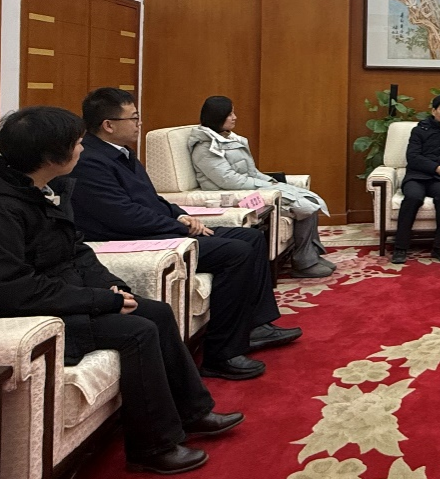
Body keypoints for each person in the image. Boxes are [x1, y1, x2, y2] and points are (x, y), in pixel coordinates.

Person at [0, 107, 243, 474]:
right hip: (2, 315)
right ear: (51, 157)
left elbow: (76, 250)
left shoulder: (41, 190)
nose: (83, 149)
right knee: (137, 331)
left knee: (156, 312)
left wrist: (110, 286)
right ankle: (153, 446)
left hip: (49, 300)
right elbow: (10, 289)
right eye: (77, 143)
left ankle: (192, 411)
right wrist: (99, 300)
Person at [70, 88, 300, 382]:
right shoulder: (90, 161)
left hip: (157, 229)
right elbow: (122, 216)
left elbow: (152, 199)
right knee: (235, 253)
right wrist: (180, 227)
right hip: (132, 239)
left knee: (251, 238)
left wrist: (180, 215)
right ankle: (221, 353)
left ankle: (255, 326)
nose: (139, 124)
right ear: (108, 125)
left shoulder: (122, 153)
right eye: (134, 118)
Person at [188, 96, 333, 279]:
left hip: (250, 188)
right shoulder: (205, 148)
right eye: (230, 114)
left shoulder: (229, 139)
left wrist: (271, 181)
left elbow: (252, 172)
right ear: (217, 116)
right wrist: (265, 186)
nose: (234, 117)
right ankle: (304, 264)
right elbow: (229, 181)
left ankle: (310, 255)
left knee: (309, 198)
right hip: (233, 197)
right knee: (304, 207)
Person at [392, 94, 440, 264]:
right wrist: (437, 168)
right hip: (417, 176)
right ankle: (400, 247)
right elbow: (413, 157)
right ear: (434, 111)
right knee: (413, 197)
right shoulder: (420, 130)